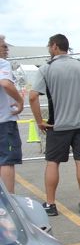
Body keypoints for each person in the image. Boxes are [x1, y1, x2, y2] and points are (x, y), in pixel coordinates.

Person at [28, 34, 80, 216]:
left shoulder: (46, 69)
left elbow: (33, 96)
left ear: (54, 46)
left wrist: (39, 121)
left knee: (53, 163)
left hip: (58, 124)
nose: (48, 49)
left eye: (49, 46)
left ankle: (50, 204)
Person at [0, 35, 24, 193]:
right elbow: (5, 83)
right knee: (7, 160)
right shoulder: (2, 63)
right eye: (4, 46)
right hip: (3, 121)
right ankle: (9, 199)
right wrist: (20, 100)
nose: (7, 49)